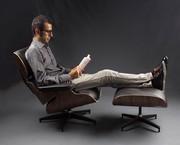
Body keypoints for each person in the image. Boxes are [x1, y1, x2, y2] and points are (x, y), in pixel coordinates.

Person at [25, 15, 167, 91]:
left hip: (68, 79)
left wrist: (75, 70)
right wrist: (69, 76)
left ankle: (150, 84)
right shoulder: (33, 52)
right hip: (63, 86)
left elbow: (55, 69)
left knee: (112, 80)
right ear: (37, 31)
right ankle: (150, 76)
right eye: (48, 32)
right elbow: (42, 81)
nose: (52, 35)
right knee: (107, 74)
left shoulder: (44, 46)